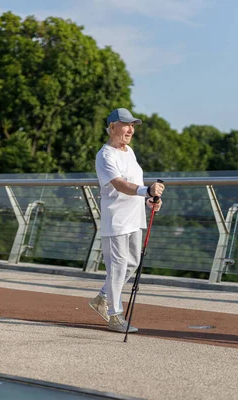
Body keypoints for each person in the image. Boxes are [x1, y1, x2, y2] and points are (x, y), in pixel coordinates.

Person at [89, 108, 164, 333]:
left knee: (131, 263)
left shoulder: (129, 151)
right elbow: (119, 184)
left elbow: (134, 185)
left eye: (133, 125)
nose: (131, 129)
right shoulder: (105, 155)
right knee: (118, 267)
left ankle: (102, 298)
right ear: (113, 127)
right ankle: (114, 316)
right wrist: (146, 191)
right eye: (126, 124)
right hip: (117, 220)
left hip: (135, 218)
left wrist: (148, 200)